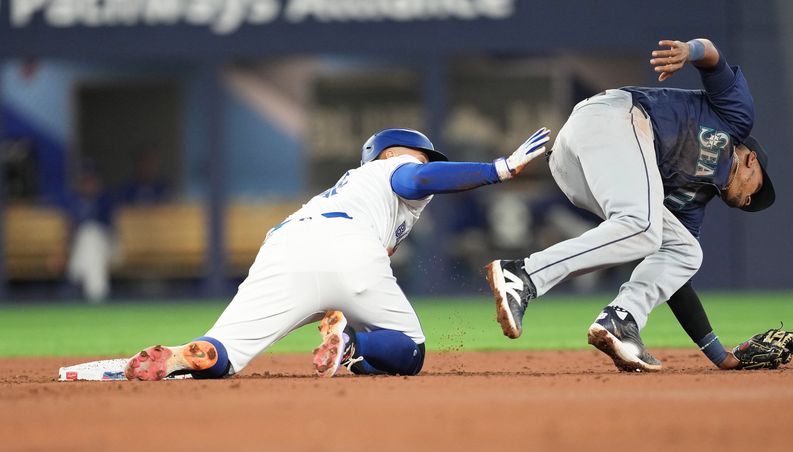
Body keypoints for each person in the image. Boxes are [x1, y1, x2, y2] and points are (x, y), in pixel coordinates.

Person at [125, 126, 550, 380]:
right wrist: (500, 169)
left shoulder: (349, 196)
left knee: (226, 353)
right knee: (410, 349)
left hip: (284, 247)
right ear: (386, 154)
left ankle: (185, 355)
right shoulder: (387, 169)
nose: (423, 162)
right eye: (418, 154)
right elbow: (418, 179)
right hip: (348, 246)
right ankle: (348, 344)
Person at [486, 37, 775, 372]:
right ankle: (524, 274)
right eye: (757, 190)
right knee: (644, 225)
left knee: (684, 250)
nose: (750, 199)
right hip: (611, 119)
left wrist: (720, 355)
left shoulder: (693, 201)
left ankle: (621, 320)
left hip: (580, 170)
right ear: (751, 159)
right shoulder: (736, 118)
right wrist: (690, 51)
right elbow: (712, 55)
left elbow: (674, 280)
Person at [64, 158, 118, 303]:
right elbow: (70, 230)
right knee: (87, 236)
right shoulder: (74, 201)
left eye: (92, 179)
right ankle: (97, 292)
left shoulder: (105, 200)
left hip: (107, 247)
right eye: (86, 180)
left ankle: (75, 276)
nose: (89, 183)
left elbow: (111, 231)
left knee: (91, 233)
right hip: (82, 249)